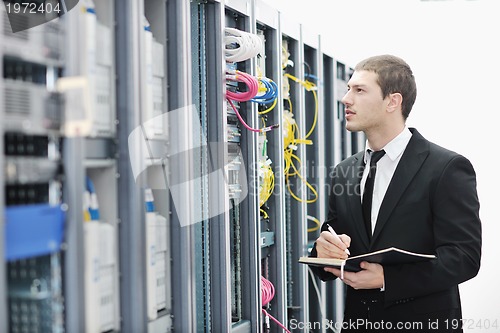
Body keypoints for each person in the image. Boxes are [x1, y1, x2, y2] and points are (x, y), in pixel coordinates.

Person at [310, 54, 481, 332]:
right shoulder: (344, 170)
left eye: (359, 90)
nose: (346, 99)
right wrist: (321, 250)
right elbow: (334, 236)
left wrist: (388, 279)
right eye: (348, 89)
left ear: (393, 101)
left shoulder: (446, 167)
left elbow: (464, 258)